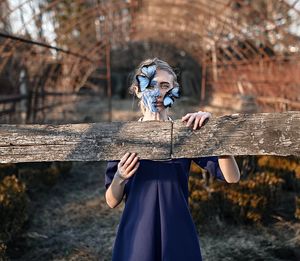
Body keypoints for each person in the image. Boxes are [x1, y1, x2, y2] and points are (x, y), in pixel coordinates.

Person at [104, 58, 240, 261]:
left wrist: (214, 133)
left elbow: (232, 177)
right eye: (150, 85)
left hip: (177, 234)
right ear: (138, 90)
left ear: (174, 91)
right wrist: (120, 177)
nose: (158, 92)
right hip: (137, 235)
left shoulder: (187, 132)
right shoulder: (125, 137)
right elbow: (111, 201)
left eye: (165, 85)